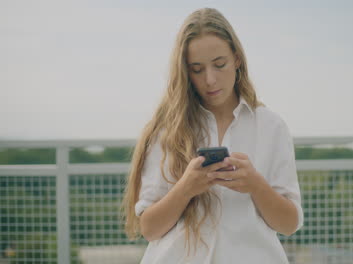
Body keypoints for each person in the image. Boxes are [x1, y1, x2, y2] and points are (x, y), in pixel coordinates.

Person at [122, 7, 303, 264]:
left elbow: (289, 224)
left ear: (237, 59)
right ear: (185, 71)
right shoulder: (166, 130)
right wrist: (185, 188)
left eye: (219, 64)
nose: (210, 80)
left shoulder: (271, 127)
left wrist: (255, 184)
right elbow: (149, 229)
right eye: (197, 69)